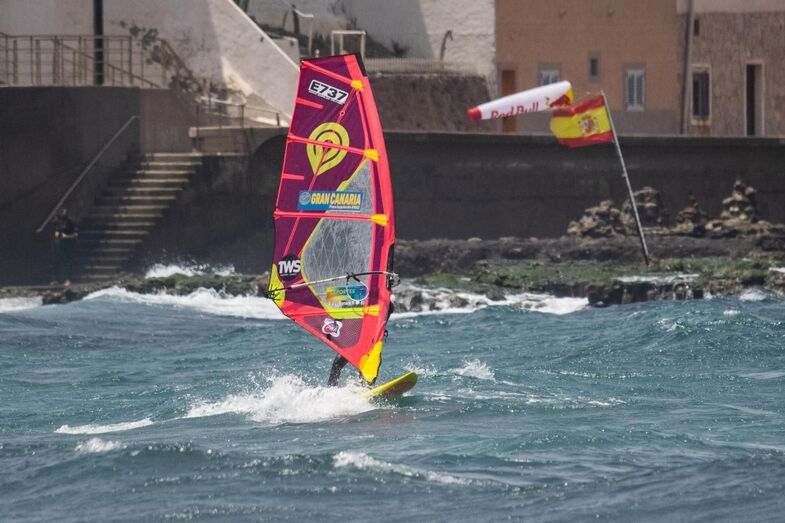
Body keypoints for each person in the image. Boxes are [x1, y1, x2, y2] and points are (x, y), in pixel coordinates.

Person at [327, 300, 394, 387]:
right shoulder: (358, 301)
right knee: (338, 363)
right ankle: (331, 387)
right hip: (356, 340)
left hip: (371, 342)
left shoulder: (386, 305)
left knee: (368, 367)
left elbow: (388, 309)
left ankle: (368, 388)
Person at [53, 207, 78, 286]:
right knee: (57, 261)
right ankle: (56, 279)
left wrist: (67, 236)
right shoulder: (59, 222)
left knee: (68, 262)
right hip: (61, 244)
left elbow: (75, 234)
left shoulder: (72, 222)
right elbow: (57, 230)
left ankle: (68, 279)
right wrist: (57, 234)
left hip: (70, 245)